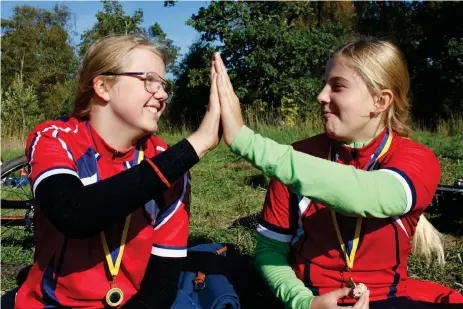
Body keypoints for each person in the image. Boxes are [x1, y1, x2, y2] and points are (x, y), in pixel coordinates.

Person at [212, 38, 463, 309]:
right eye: (324, 84)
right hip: (312, 296)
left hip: (390, 299)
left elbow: (370, 195)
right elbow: (270, 251)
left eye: (338, 86)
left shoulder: (417, 158)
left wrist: (246, 141)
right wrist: (304, 302)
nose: (321, 96)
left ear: (380, 101)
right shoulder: (294, 158)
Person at [14, 34, 221, 309]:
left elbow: (162, 283)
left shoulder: (168, 162)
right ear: (102, 86)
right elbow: (74, 213)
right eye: (149, 80)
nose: (162, 94)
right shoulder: (55, 137)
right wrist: (196, 145)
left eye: (163, 84)